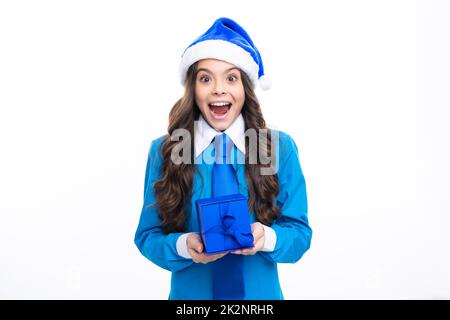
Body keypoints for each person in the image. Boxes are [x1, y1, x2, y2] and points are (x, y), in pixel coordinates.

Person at [134, 17, 312, 300]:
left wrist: (266, 238)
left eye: (231, 77)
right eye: (206, 78)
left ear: (246, 89)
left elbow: (300, 235)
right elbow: (147, 237)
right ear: (193, 89)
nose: (218, 89)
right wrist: (184, 245)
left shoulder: (278, 148)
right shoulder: (166, 150)